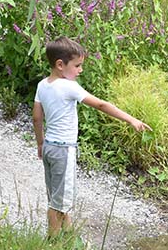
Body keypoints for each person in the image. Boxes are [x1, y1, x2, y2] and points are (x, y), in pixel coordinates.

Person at [32, 36, 151, 238]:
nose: (80, 70)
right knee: (57, 203)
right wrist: (131, 119)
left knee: (58, 195)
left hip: (50, 146)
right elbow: (101, 104)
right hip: (64, 150)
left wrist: (40, 143)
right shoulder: (69, 87)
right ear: (60, 65)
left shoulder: (43, 85)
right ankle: (51, 244)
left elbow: (36, 118)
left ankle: (69, 237)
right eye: (77, 65)